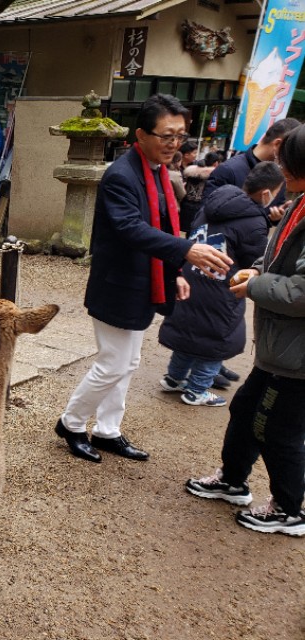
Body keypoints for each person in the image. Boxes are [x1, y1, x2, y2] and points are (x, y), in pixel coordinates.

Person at [54, 94, 232, 463]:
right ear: (141, 134)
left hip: (142, 281)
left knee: (128, 362)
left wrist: (174, 272)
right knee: (113, 363)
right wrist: (186, 250)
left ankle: (107, 429)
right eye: (166, 135)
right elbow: (131, 228)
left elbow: (161, 227)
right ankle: (71, 423)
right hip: (118, 286)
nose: (174, 144)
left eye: (180, 136)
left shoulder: (155, 171)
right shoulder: (122, 175)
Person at [185, 124, 305, 536]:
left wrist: (255, 284)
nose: (280, 169)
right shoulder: (299, 202)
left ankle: (289, 509)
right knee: (246, 409)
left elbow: (301, 292)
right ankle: (233, 481)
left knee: (278, 429)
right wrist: (257, 270)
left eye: (288, 163)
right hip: (281, 347)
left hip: (296, 356)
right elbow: (279, 261)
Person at [158, 161, 283, 407]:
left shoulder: (212, 203)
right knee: (215, 343)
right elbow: (255, 262)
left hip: (191, 279)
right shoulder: (254, 221)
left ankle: (174, 378)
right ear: (267, 193)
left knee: (188, 333)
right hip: (221, 289)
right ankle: (197, 391)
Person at [201, 117, 299, 389]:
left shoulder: (282, 181)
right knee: (212, 321)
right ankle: (202, 373)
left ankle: (211, 364)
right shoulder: (230, 170)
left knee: (221, 324)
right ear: (278, 144)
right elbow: (210, 212)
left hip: (238, 265)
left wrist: (270, 217)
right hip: (220, 261)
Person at [179, 151, 220, 234]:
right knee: (194, 232)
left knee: (183, 230)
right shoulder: (213, 176)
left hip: (186, 203)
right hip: (199, 206)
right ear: (215, 163)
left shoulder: (191, 172)